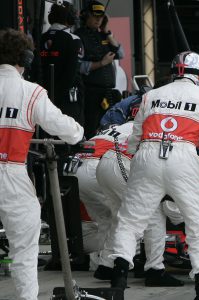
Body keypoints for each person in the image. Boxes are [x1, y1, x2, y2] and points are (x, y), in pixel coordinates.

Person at [107, 51, 199, 300]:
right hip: (184, 158)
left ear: (174, 72)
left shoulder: (150, 95)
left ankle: (118, 282)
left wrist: (143, 167)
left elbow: (134, 140)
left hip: (147, 154)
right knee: (196, 225)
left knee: (129, 222)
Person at [0, 28, 84, 300]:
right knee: (24, 246)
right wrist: (79, 133)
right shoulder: (30, 92)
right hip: (10, 173)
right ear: (25, 58)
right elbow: (65, 129)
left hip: (11, 173)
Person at [89, 121, 183, 287]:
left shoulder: (141, 122)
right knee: (154, 215)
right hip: (124, 163)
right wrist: (182, 221)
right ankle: (155, 270)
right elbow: (169, 204)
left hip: (106, 163)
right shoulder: (180, 137)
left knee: (120, 218)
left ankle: (106, 266)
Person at [75, 0, 125, 137]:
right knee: (91, 127)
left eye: (101, 17)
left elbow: (121, 54)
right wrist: (102, 63)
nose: (98, 19)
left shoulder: (104, 35)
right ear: (86, 16)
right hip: (90, 91)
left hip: (107, 92)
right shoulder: (79, 36)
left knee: (111, 128)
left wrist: (107, 31)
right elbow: (78, 66)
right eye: (95, 16)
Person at [40, 1, 85, 123]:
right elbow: (73, 72)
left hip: (42, 99)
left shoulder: (40, 39)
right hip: (68, 100)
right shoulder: (74, 40)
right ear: (70, 18)